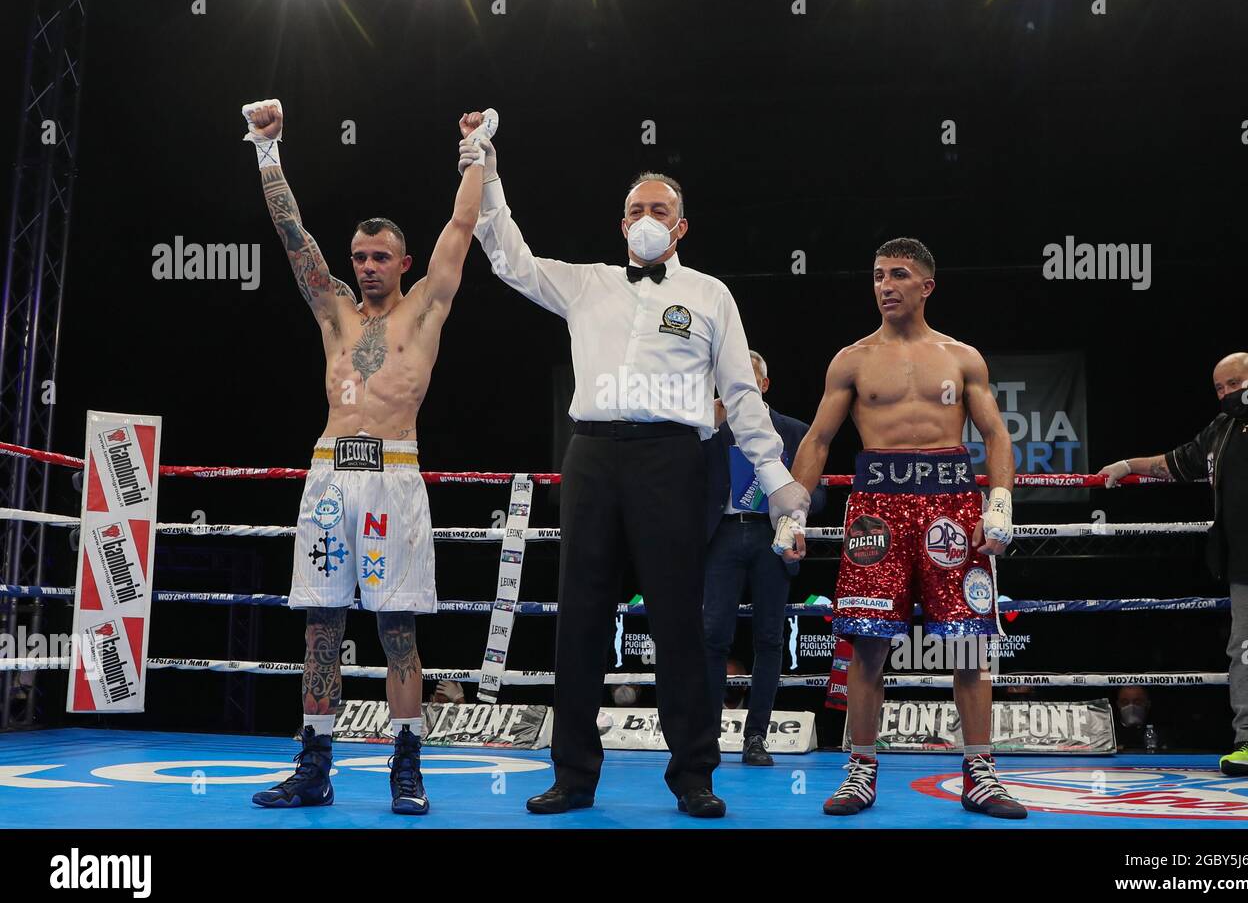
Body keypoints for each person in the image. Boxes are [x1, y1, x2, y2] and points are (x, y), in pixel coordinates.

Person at [465, 133, 810, 818]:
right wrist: (487, 170)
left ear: (681, 225)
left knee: (682, 620)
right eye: (635, 209)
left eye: (659, 208)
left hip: (674, 459)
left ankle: (693, 777)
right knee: (581, 619)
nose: (646, 218)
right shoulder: (586, 282)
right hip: (592, 454)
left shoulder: (709, 294)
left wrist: (776, 483)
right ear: (621, 222)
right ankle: (572, 775)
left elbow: (741, 395)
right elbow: (507, 256)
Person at [243, 100, 492, 814]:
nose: (369, 265)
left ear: (404, 262)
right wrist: (267, 149)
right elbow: (291, 233)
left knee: (397, 629)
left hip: (394, 477)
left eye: (381, 256)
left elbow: (461, 227)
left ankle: (406, 771)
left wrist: (476, 152)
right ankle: (314, 766)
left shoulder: (425, 309)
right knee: (322, 625)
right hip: (330, 473)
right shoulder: (335, 312)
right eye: (360, 256)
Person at [786, 237, 1027, 819]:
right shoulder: (852, 359)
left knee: (969, 644)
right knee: (867, 645)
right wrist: (793, 511)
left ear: (927, 285)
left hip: (952, 505)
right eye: (876, 275)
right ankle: (860, 771)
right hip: (878, 510)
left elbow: (995, 433)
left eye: (898, 274)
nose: (885, 285)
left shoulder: (962, 357)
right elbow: (818, 439)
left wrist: (1000, 503)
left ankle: (980, 774)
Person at [1101, 352, 1248, 776]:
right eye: (1219, 388)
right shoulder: (1221, 432)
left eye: (1233, 384)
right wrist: (1126, 465)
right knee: (1245, 657)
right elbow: (1171, 463)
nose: (1226, 393)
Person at [703, 350, 826, 765]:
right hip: (720, 537)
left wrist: (793, 515)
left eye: (748, 378)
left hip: (770, 536)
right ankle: (705, 735)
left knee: (770, 639)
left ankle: (756, 737)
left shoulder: (794, 433)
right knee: (713, 636)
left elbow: (819, 492)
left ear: (765, 385)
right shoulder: (707, 430)